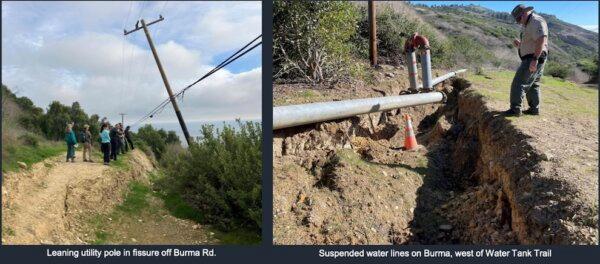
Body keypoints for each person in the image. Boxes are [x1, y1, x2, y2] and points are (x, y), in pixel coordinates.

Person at [505, 4, 548, 117]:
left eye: (519, 18)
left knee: (518, 83)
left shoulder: (536, 21)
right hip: (534, 57)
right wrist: (520, 45)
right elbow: (532, 42)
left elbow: (541, 40)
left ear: (525, 13)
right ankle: (534, 109)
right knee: (534, 84)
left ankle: (515, 109)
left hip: (533, 58)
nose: (518, 22)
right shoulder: (528, 23)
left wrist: (535, 59)